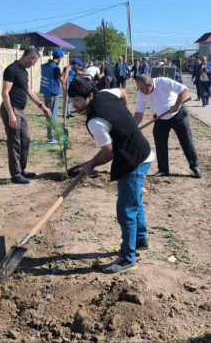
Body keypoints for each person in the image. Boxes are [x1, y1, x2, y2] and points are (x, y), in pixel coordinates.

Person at [69, 76, 155, 273]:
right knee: (134, 200)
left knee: (126, 210)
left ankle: (127, 259)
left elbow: (108, 153)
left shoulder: (95, 121)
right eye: (72, 100)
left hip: (133, 161)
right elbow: (123, 93)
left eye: (78, 100)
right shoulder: (106, 93)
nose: (74, 104)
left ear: (91, 96)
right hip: (143, 152)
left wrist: (91, 165)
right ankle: (140, 239)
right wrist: (123, 120)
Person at [134, 74, 202, 179]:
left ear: (150, 85)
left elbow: (184, 90)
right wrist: (133, 127)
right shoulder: (141, 94)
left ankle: (195, 167)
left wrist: (177, 105)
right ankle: (163, 169)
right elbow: (139, 113)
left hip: (178, 115)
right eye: (139, 88)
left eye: (142, 88)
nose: (140, 91)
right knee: (160, 143)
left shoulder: (163, 82)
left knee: (186, 142)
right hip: (160, 118)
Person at [1, 47, 52, 184]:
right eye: (34, 61)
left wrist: (41, 106)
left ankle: (22, 169)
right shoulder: (11, 69)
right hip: (12, 109)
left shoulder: (23, 71)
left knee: (26, 139)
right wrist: (11, 113)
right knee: (14, 142)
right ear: (29, 57)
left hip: (20, 110)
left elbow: (29, 90)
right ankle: (16, 174)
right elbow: (5, 93)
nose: (34, 65)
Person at [40, 49, 69, 143]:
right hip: (53, 92)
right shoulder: (55, 68)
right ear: (59, 57)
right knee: (53, 116)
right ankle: (52, 137)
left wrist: (63, 72)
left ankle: (50, 136)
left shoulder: (45, 66)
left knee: (48, 114)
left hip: (46, 91)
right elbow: (63, 81)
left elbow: (56, 76)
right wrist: (67, 71)